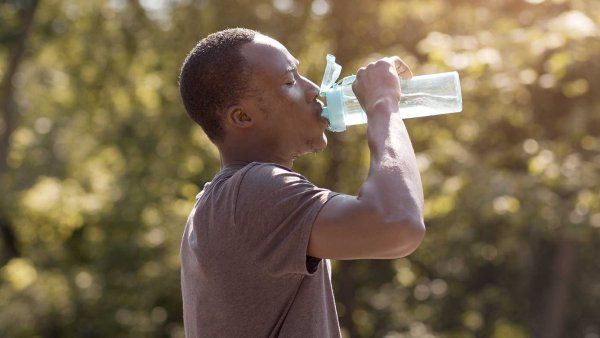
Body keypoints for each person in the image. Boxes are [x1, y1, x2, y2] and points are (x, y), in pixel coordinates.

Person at [178, 28, 425, 338]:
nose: (312, 90)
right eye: (289, 81)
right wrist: (383, 105)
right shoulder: (252, 191)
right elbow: (398, 225)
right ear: (241, 117)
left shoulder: (220, 201)